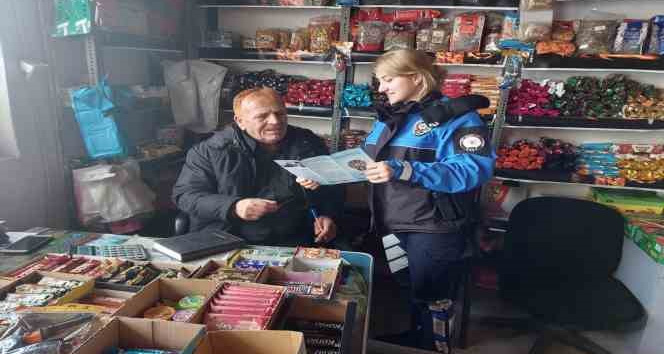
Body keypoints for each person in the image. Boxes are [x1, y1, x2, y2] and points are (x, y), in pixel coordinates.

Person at [299, 49, 496, 350]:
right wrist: (322, 174)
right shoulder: (393, 116)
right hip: (392, 222)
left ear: (416, 78)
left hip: (433, 226)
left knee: (433, 296)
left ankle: (433, 347)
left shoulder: (457, 118)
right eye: (380, 81)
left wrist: (405, 169)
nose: (381, 88)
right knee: (410, 286)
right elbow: (363, 159)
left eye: (388, 80)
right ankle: (415, 339)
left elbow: (474, 169)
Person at [173, 87, 342, 246]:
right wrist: (233, 207)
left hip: (294, 237)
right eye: (262, 116)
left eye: (280, 113)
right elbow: (185, 195)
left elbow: (333, 188)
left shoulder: (307, 142)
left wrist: (327, 215)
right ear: (240, 121)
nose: (275, 121)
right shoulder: (210, 150)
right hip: (229, 238)